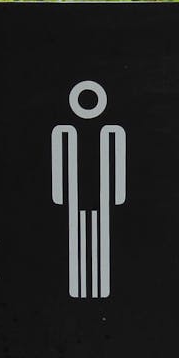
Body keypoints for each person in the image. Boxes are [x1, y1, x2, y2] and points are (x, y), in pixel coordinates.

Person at [52, 80, 125, 298]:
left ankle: (100, 287)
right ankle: (79, 287)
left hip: (100, 193)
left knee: (99, 238)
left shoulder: (112, 132)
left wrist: (117, 194)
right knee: (78, 238)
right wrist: (60, 194)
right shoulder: (65, 131)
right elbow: (61, 164)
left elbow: (116, 164)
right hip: (78, 193)